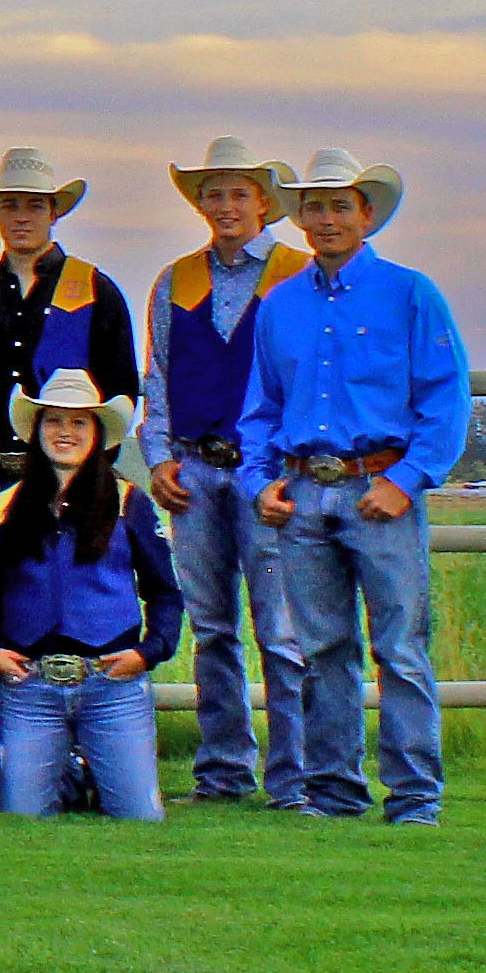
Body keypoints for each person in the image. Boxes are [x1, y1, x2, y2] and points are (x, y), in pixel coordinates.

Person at [240, 148, 468, 827]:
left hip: (380, 487)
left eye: (340, 204)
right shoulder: (279, 305)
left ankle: (413, 798)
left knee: (399, 648)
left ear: (366, 213)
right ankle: (335, 792)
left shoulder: (410, 293)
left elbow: (445, 398)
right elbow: (261, 406)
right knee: (321, 652)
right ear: (299, 217)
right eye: (315, 205)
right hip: (305, 491)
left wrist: (407, 479)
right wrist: (260, 481)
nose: (327, 217)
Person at [146, 136, 312, 807]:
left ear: (264, 203)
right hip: (193, 467)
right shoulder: (174, 278)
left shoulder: (297, 275)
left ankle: (293, 777)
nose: (224, 205)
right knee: (211, 629)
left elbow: (306, 380)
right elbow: (155, 374)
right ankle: (221, 771)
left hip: (265, 472)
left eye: (237, 193)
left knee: (279, 629)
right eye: (212, 193)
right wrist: (157, 454)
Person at [0, 370, 180, 821]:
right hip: (29, 683)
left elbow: (165, 592)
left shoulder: (129, 500)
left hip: (112, 681)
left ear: (97, 433)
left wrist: (148, 653)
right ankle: (68, 775)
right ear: (37, 431)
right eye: (53, 421)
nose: (64, 433)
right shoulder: (4, 503)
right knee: (22, 819)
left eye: (78, 423)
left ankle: (82, 772)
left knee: (139, 817)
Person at [0, 149, 141, 495]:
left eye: (35, 205)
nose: (22, 217)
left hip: (71, 478)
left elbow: (120, 387)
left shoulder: (97, 291)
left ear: (54, 213)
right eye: (11, 205)